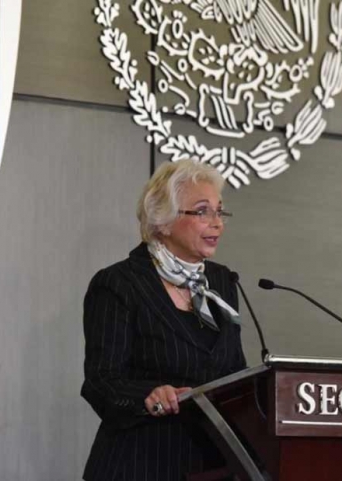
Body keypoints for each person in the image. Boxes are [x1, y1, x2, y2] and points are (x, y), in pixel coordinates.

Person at [81, 159, 247, 480]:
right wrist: (150, 396)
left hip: (212, 466)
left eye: (219, 211)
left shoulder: (222, 282)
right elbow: (101, 382)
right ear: (163, 220)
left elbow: (234, 371)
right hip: (141, 463)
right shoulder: (119, 284)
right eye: (203, 212)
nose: (217, 223)